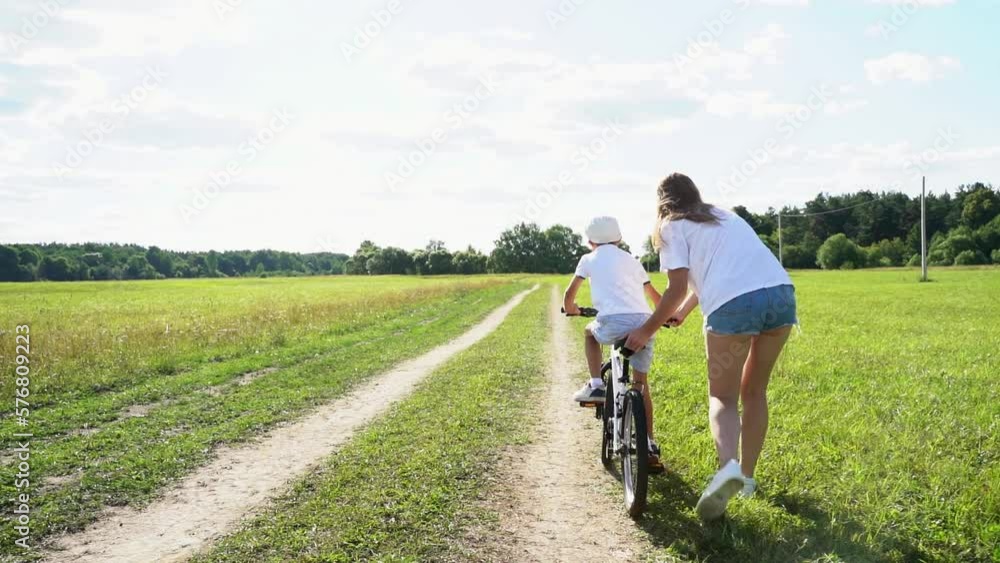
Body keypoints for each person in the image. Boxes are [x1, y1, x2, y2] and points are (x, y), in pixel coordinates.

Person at [624, 173, 797, 520]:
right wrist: (684, 314)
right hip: (781, 296)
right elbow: (708, 278)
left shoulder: (671, 226)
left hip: (733, 306)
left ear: (662, 203)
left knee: (722, 397)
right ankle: (746, 479)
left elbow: (674, 288)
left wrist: (646, 330)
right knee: (755, 392)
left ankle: (727, 470)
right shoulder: (723, 216)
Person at [563, 216, 665, 472]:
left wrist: (572, 309)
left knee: (589, 333)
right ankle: (649, 444)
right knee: (641, 385)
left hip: (611, 322)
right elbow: (653, 295)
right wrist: (667, 315)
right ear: (619, 239)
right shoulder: (632, 260)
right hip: (644, 324)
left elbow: (569, 296)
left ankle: (596, 384)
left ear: (590, 242)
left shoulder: (588, 259)